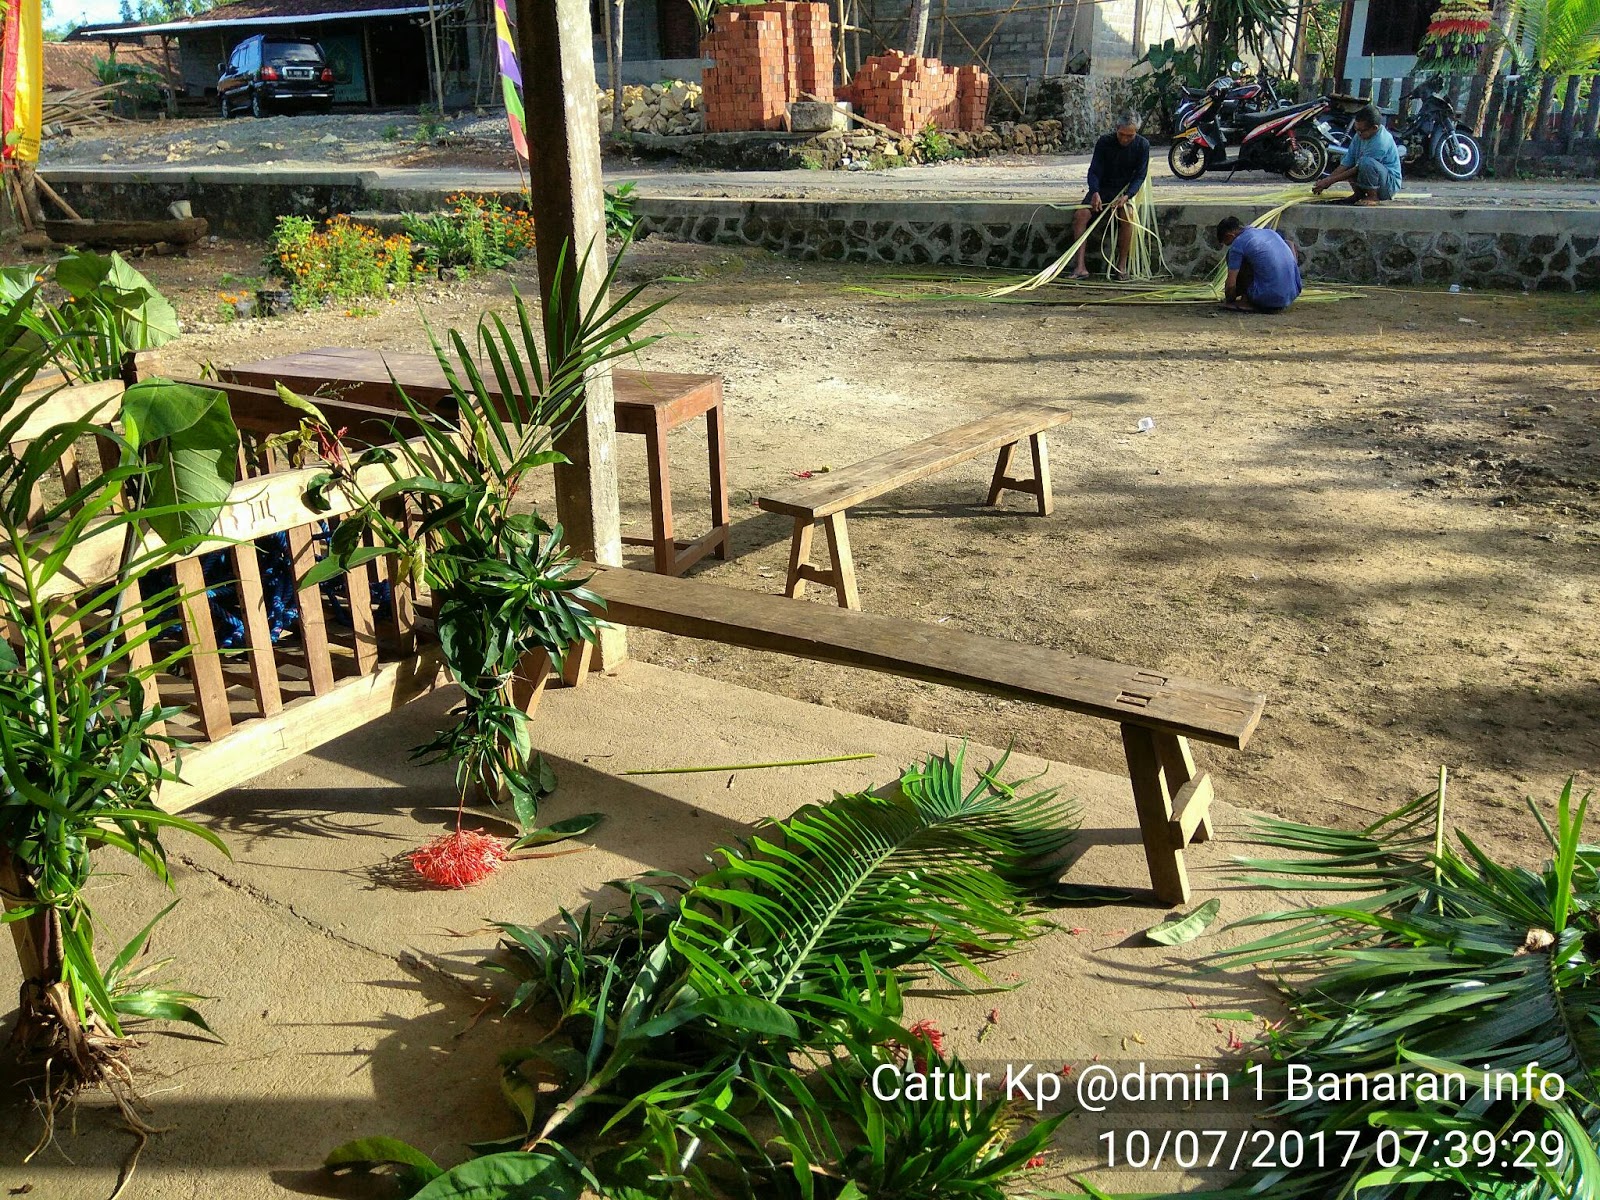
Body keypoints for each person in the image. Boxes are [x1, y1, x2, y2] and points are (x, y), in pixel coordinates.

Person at [1071, 112, 1150, 279]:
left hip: (1124, 191)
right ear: (1116, 128)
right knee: (1080, 215)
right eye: (1122, 134)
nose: (1125, 139)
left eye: (1130, 136)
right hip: (1102, 189)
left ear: (1136, 132)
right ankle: (1080, 267)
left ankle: (1121, 267)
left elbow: (1140, 176)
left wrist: (1128, 195)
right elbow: (1094, 171)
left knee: (1128, 216)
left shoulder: (1142, 145)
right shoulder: (1104, 142)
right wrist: (1095, 192)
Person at [1312, 105, 1402, 205]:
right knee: (1346, 158)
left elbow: (1358, 169)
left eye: (1362, 131)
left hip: (1388, 186)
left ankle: (1373, 196)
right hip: (1372, 175)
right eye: (1356, 130)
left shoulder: (1381, 141)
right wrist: (1327, 180)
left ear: (1374, 128)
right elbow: (1347, 162)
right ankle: (1359, 194)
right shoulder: (1359, 135)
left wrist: (1330, 181)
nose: (1358, 133)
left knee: (1365, 163)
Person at [1215, 216, 1302, 313]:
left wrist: (1229, 300)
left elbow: (1231, 284)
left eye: (1228, 243)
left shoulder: (1238, 243)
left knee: (1232, 256)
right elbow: (1290, 244)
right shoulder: (1270, 233)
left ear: (1229, 236)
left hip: (1268, 297)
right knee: (1286, 245)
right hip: (1291, 294)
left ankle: (1247, 301)